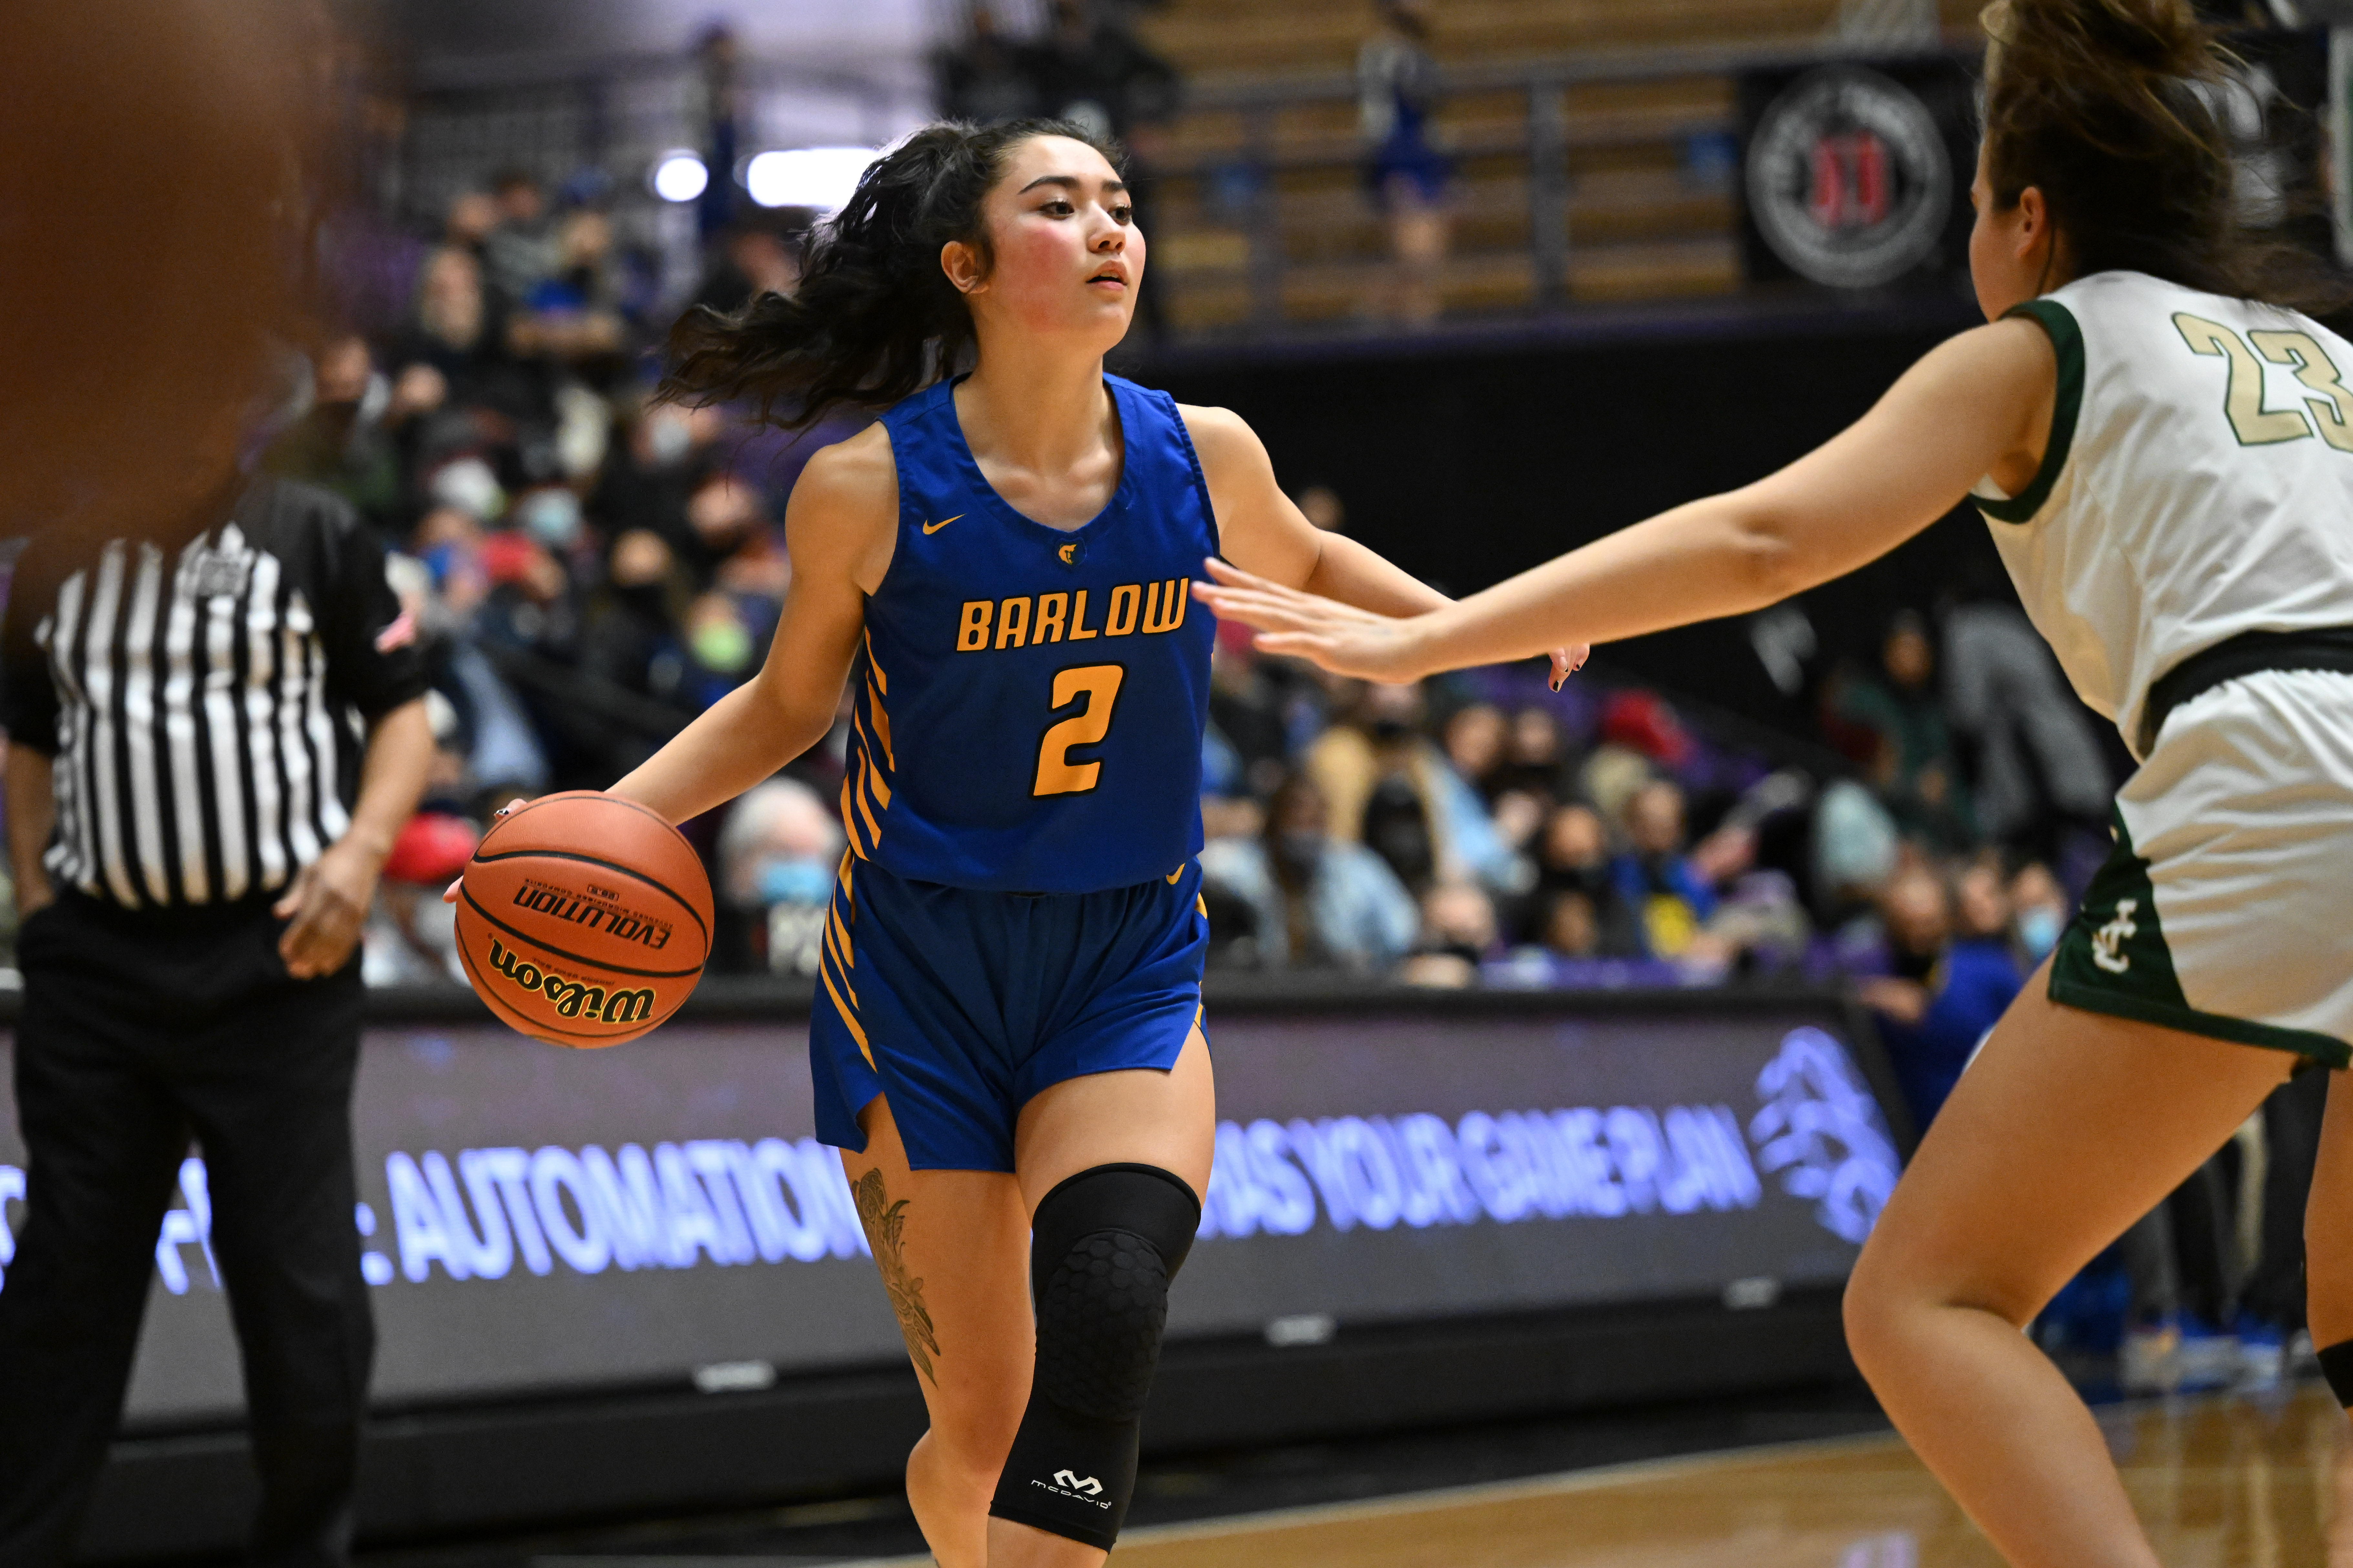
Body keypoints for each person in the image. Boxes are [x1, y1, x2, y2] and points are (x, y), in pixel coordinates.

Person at [1197, 2, 2353, 1560]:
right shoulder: (2328, 359)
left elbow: (1765, 540)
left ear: (2025, 216)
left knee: (1928, 1300)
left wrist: (1443, 637)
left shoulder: (2041, 345)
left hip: (2280, 758)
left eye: (1965, 210)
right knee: (2347, 1308)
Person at [492, 118, 1580, 1568]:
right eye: (1061, 206)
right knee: (983, 1447)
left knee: (1114, 1296)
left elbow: (1309, 568)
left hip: (1123, 955)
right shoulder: (870, 488)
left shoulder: (1203, 452)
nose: (1112, 229)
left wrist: (1478, 624)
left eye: (1122, 204)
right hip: (917, 977)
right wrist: (607, 819)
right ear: (971, 267)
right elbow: (782, 706)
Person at [0, 471, 435, 1566]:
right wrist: (42, 910)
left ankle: (303, 1552)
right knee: (62, 1293)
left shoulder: (314, 531)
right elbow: (27, 743)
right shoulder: (54, 552)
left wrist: (361, 854)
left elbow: (402, 716)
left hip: (278, 960)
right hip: (97, 972)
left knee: (303, 1298)